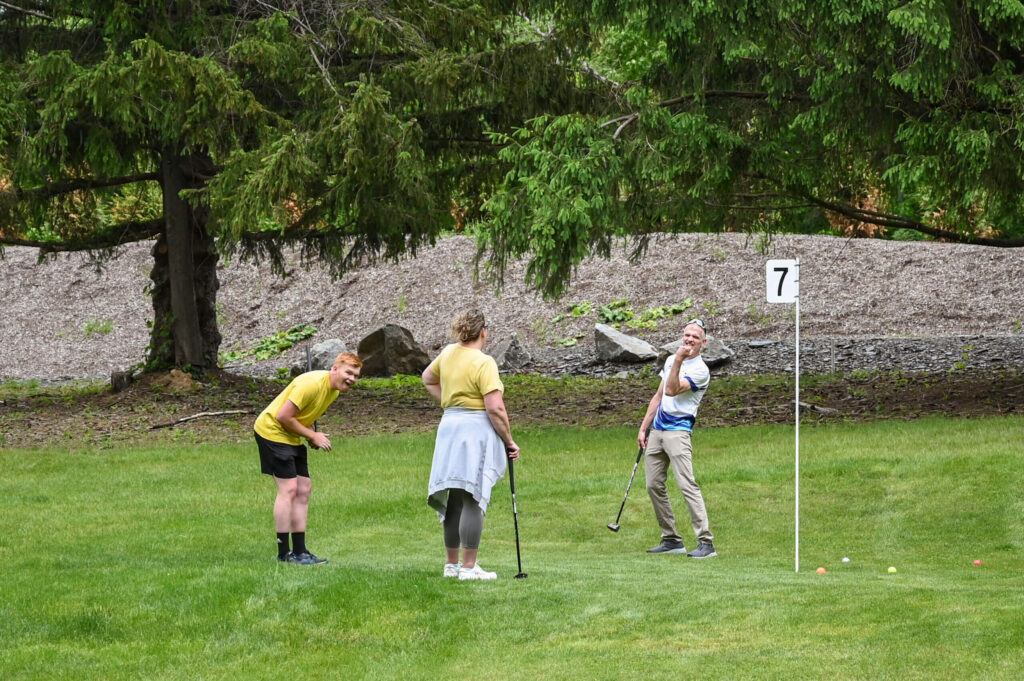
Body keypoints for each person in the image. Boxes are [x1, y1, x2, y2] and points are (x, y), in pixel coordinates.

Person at [422, 310, 520, 581]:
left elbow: (427, 378)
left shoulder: (449, 352)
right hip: (474, 429)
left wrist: (449, 401)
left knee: (454, 495)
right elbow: (495, 407)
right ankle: (468, 567)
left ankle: (451, 565)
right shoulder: (484, 362)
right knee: (472, 496)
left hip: (449, 426)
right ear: (483, 332)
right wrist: (509, 440)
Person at [254, 352, 362, 565]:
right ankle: (284, 554)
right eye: (349, 373)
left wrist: (311, 434)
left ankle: (301, 552)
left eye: (356, 375)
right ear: (335, 369)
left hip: (291, 435)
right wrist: (312, 435)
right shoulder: (311, 384)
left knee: (304, 489)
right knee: (289, 489)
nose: (352, 379)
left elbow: (306, 414)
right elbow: (282, 417)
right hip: (271, 431)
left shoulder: (334, 391)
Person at [637, 319, 717, 558]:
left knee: (687, 484)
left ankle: (706, 542)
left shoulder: (701, 370)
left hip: (679, 431)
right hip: (658, 430)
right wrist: (643, 428)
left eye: (695, 336)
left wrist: (680, 360)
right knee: (653, 485)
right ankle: (671, 539)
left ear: (703, 342)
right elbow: (660, 394)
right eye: (686, 335)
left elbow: (673, 390)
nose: (689, 339)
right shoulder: (672, 360)